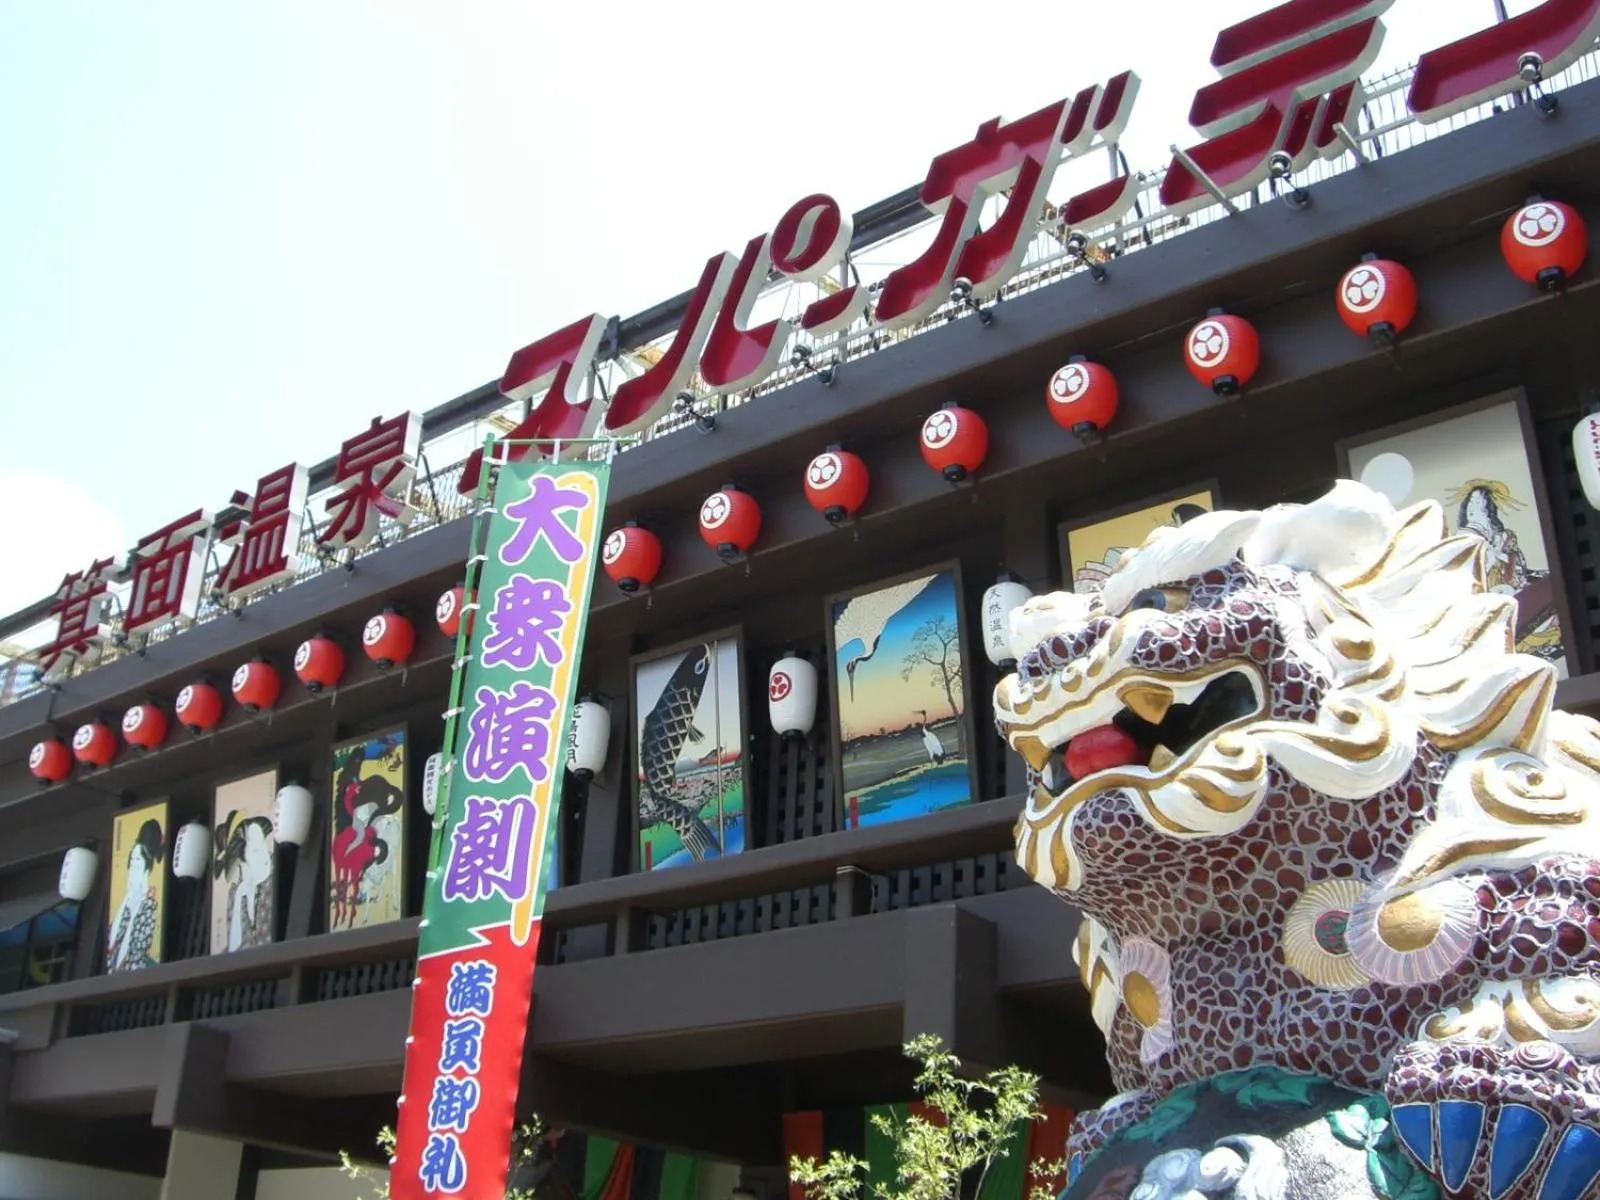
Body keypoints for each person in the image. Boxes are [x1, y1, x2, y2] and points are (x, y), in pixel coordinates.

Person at [107, 818, 164, 972]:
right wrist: (147, 895)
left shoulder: (139, 851)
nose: (134, 865)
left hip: (135, 900)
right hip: (135, 900)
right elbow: (138, 884)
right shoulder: (140, 851)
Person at [213, 810, 275, 951]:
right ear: (242, 860)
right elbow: (234, 949)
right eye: (255, 850)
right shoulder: (237, 892)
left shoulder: (273, 876)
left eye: (262, 845)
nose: (266, 854)